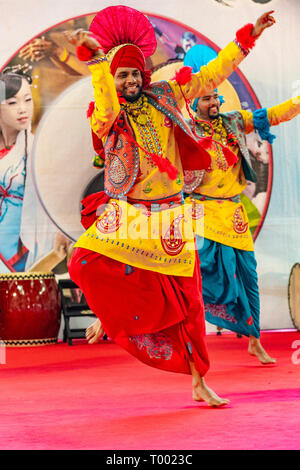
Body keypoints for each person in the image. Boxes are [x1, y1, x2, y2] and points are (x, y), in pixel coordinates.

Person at [67, 5, 275, 406]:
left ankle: (199, 381)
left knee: (190, 305)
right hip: (130, 214)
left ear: (144, 74)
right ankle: (108, 316)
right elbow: (106, 103)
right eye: (121, 74)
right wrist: (96, 64)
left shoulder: (165, 96)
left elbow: (212, 75)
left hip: (173, 216)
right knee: (83, 262)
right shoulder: (107, 116)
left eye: (133, 73)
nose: (128, 80)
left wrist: (249, 37)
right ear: (113, 80)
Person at [184, 85, 300, 363]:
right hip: (202, 211)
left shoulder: (233, 121)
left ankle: (255, 340)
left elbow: (271, 116)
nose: (213, 102)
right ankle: (192, 342)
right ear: (193, 104)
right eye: (206, 98)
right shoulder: (184, 129)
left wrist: (297, 101)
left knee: (249, 276)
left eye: (215, 97)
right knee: (204, 277)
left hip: (233, 211)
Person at [0, 67, 71, 272]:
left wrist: (61, 229)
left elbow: (58, 198)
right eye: (12, 103)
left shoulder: (40, 149)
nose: (23, 109)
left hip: (24, 249)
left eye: (27, 100)